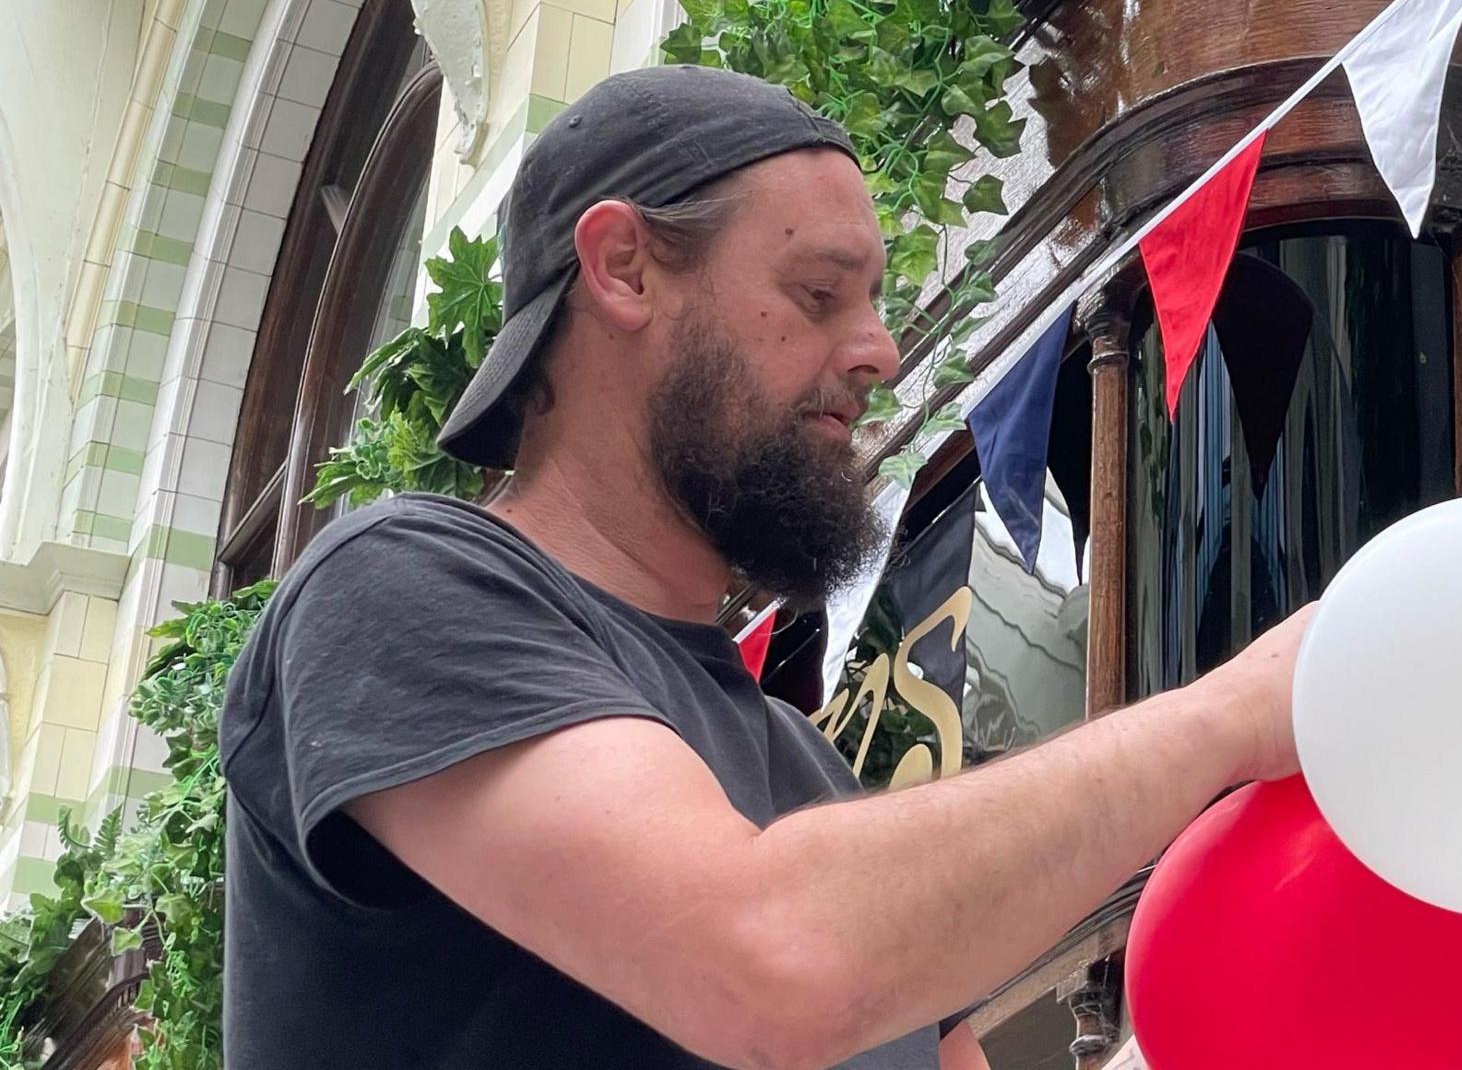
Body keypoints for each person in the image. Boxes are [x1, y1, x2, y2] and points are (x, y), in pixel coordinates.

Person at [218, 66, 1312, 1070]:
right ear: (623, 267)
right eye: (819, 293)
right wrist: (1229, 715)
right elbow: (767, 959)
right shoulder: (398, 587)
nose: (880, 350)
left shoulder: (805, 769)